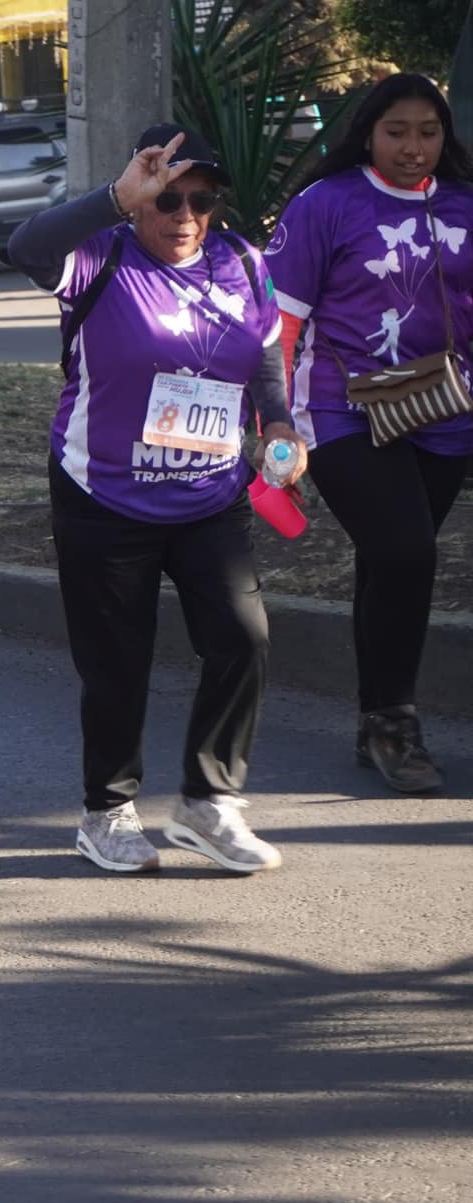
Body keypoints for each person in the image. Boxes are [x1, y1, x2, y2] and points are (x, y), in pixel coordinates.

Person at [7, 125, 302, 874]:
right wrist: (112, 199)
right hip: (103, 495)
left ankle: (210, 804)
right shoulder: (99, 256)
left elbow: (264, 357)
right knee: (117, 664)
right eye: (167, 198)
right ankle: (105, 813)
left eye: (201, 201)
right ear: (141, 195)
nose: (185, 217)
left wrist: (280, 426)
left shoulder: (242, 263)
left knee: (243, 635)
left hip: (209, 494)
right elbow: (25, 248)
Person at [266, 73, 473, 795]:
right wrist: (276, 419)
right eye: (397, 132)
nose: (414, 148)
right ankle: (395, 723)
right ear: (367, 132)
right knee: (405, 550)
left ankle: (372, 720)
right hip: (341, 409)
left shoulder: (465, 204)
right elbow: (281, 323)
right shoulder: (326, 204)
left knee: (391, 563)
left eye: (428, 132)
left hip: (447, 412)